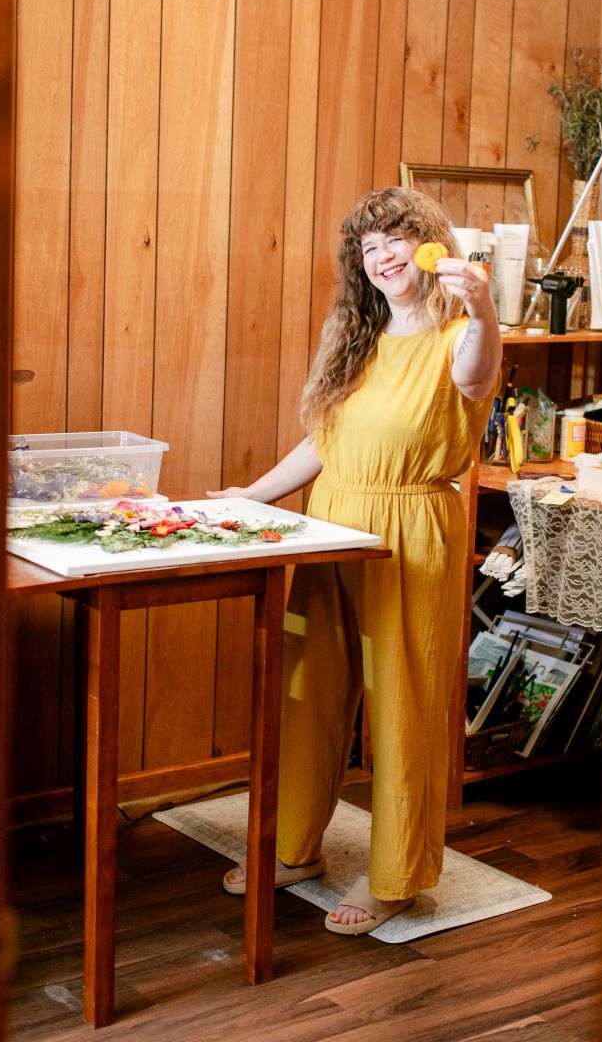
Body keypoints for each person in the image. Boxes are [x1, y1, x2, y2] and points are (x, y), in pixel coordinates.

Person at [207, 186, 502, 935]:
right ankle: (293, 848)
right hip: (329, 521)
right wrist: (251, 493)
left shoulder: (459, 334)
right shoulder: (357, 337)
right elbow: (322, 444)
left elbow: (475, 379)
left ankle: (399, 876)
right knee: (308, 694)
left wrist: (485, 308)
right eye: (367, 248)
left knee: (402, 705)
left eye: (395, 239)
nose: (382, 256)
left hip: (412, 530)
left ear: (427, 243)